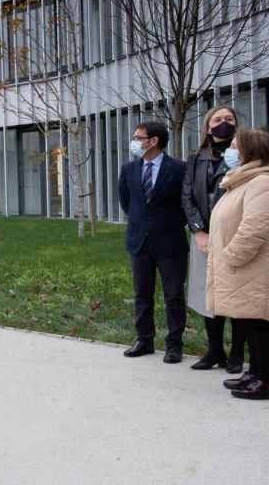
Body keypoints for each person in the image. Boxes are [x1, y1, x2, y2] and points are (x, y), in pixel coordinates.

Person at [208, 128, 269, 400]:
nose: (230, 150)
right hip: (245, 266)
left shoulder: (264, 182)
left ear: (251, 149)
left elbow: (254, 228)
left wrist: (231, 255)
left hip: (254, 264)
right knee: (250, 321)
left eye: (235, 145)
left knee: (261, 323)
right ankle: (256, 373)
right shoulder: (245, 179)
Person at [181, 106, 246, 372]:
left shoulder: (246, 156)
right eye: (217, 120)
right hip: (204, 238)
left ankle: (237, 354)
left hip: (235, 236)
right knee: (210, 295)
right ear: (208, 127)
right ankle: (215, 351)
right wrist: (198, 230)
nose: (223, 124)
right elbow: (187, 196)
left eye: (229, 119)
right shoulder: (197, 158)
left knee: (238, 295)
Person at [118, 121, 188, 364]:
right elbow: (127, 202)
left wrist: (166, 224)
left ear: (154, 140)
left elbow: (185, 203)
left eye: (139, 137)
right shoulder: (128, 169)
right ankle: (144, 339)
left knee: (174, 296)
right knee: (142, 294)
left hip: (170, 242)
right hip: (139, 241)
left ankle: (174, 344)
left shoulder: (179, 169)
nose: (134, 141)